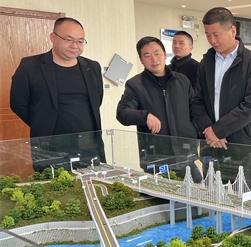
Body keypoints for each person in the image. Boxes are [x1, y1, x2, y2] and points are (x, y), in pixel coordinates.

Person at [10, 17, 105, 172]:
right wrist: (42, 122)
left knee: (92, 183)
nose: (75, 46)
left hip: (88, 146)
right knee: (54, 185)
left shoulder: (92, 67)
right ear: (53, 37)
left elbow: (97, 100)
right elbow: (18, 104)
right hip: (49, 146)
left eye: (80, 41)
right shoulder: (30, 66)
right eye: (68, 39)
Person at [191, 7, 251, 190]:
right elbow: (197, 100)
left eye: (216, 34)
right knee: (212, 198)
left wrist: (218, 130)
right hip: (211, 145)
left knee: (244, 200)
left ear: (232, 31)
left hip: (242, 146)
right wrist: (209, 130)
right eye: (208, 35)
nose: (212, 40)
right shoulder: (206, 62)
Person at [116, 36, 202, 182]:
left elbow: (195, 109)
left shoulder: (182, 80)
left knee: (196, 189)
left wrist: (193, 131)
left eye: (157, 53)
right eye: (147, 55)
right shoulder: (135, 85)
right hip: (156, 158)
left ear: (165, 54)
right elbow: (122, 113)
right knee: (161, 194)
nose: (154, 59)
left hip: (185, 154)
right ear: (141, 60)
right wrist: (145, 116)